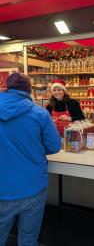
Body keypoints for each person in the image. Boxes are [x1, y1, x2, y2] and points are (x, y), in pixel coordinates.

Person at [0, 72, 61, 246]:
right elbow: (54, 147)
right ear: (29, 90)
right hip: (33, 186)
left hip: (2, 188)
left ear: (7, 88)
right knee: (28, 238)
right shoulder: (40, 113)